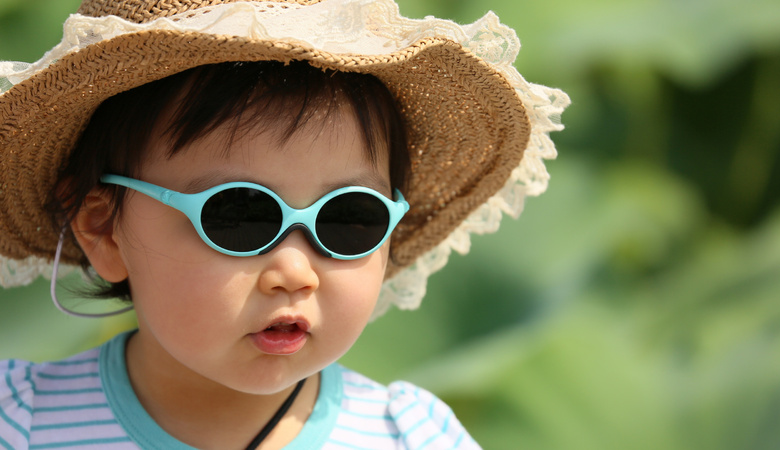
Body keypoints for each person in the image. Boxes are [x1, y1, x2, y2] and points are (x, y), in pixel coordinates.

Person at [0, 0, 569, 448]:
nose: (295, 271)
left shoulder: (409, 436)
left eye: (349, 217)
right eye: (240, 214)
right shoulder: (21, 424)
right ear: (103, 229)